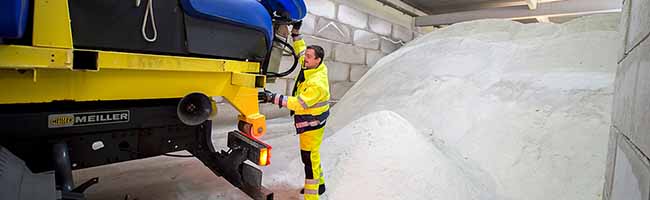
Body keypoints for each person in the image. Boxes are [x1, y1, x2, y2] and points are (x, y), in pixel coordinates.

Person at [259, 20, 330, 200]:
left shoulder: (317, 83)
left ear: (317, 60)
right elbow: (300, 51)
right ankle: (320, 185)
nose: (303, 58)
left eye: (308, 56)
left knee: (308, 159)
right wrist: (296, 34)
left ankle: (312, 196)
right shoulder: (313, 67)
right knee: (312, 155)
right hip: (312, 121)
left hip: (312, 125)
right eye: (306, 55)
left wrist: (272, 97)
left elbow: (298, 104)